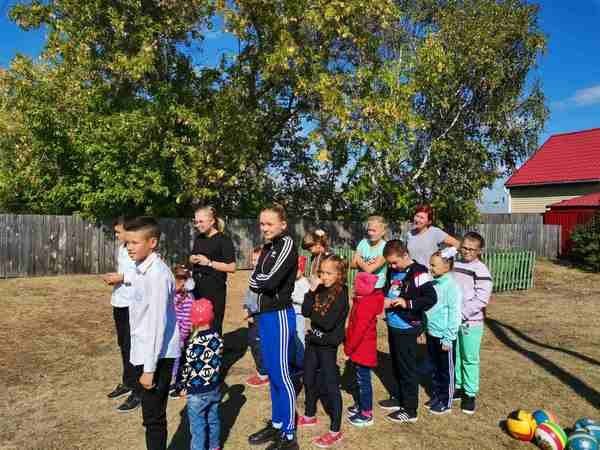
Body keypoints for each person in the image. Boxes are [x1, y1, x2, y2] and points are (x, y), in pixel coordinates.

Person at [123, 216, 180, 450]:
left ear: (152, 242)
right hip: (145, 352)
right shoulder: (140, 269)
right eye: (127, 242)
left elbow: (157, 324)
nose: (129, 247)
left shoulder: (157, 275)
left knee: (154, 418)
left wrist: (149, 369)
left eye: (135, 242)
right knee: (149, 416)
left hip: (157, 357)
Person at [247, 204, 299, 450]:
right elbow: (256, 276)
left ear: (283, 225)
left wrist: (258, 279)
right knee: (272, 374)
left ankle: (289, 435)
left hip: (279, 315)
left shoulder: (287, 243)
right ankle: (277, 424)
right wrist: (258, 279)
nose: (265, 228)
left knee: (282, 375)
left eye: (269, 223)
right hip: (264, 315)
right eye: (262, 223)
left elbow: (268, 281)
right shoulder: (268, 247)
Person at [379, 240, 437, 424]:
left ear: (405, 255)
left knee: (407, 368)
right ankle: (398, 397)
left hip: (407, 327)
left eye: (394, 262)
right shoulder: (393, 270)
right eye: (389, 263)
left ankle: (410, 409)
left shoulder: (419, 272)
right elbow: (388, 289)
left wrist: (407, 303)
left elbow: (430, 298)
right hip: (393, 325)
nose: (392, 266)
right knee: (396, 364)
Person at [297, 254, 349, 448]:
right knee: (308, 378)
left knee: (330, 385)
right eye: (321, 273)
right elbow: (305, 311)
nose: (324, 277)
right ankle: (310, 414)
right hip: (313, 342)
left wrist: (314, 320)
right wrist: (311, 291)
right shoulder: (318, 289)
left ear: (339, 274)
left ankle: (335, 430)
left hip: (327, 346)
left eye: (328, 273)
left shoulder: (341, 294)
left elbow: (326, 323)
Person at [103, 216, 141, 412]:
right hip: (119, 301)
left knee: (133, 346)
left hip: (133, 304)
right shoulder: (121, 249)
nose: (116, 235)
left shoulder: (139, 250)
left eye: (119, 232)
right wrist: (116, 277)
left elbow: (143, 274)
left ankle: (138, 390)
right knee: (123, 344)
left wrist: (122, 277)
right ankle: (128, 381)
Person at [452, 232, 493, 415]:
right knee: (457, 354)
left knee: (469, 358)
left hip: (471, 322)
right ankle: (458, 386)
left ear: (479, 251)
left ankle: (469, 394)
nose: (467, 251)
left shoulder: (481, 270)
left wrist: (463, 313)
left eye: (471, 249)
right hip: (454, 319)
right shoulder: (455, 264)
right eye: (464, 248)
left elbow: (482, 299)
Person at [180, 299, 224, 450]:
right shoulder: (217, 337)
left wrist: (183, 385)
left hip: (196, 391)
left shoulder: (193, 343)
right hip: (214, 387)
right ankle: (214, 446)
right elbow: (217, 360)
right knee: (213, 420)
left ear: (193, 319)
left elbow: (188, 367)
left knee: (197, 427)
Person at [344, 271, 384, 428]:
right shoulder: (364, 300)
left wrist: (348, 348)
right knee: (359, 378)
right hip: (361, 349)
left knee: (363, 381)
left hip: (362, 350)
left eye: (356, 285)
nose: (354, 287)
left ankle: (367, 413)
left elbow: (358, 330)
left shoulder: (365, 305)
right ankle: (360, 404)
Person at [424, 248, 462, 415]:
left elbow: (455, 314)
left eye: (434, 265)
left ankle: (446, 401)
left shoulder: (452, 287)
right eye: (430, 264)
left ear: (447, 267)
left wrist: (448, 338)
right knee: (434, 368)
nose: (430, 268)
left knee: (446, 370)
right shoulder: (433, 283)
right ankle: (437, 395)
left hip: (444, 337)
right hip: (432, 333)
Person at [190, 206, 236, 335]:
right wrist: (192, 258)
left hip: (214, 290)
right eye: (196, 222)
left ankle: (214, 347)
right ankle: (198, 347)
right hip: (196, 287)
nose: (198, 225)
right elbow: (192, 255)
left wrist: (209, 263)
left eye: (201, 221)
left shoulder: (224, 240)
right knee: (198, 323)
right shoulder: (199, 238)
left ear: (212, 221)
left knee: (213, 325)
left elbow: (232, 267)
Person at [243, 245, 270, 388]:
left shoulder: (264, 277)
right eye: (253, 260)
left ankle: (264, 373)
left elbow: (260, 299)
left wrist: (252, 312)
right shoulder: (254, 273)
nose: (254, 263)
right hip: (253, 313)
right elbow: (249, 294)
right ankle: (262, 370)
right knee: (253, 341)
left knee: (258, 343)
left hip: (259, 315)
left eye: (257, 260)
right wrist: (246, 308)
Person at [169, 265, 195, 398]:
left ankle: (176, 382)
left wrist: (181, 338)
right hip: (171, 333)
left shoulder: (188, 299)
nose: (174, 285)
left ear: (186, 282)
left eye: (176, 282)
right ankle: (172, 379)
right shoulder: (173, 294)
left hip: (180, 336)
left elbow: (186, 322)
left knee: (178, 360)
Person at [351, 216, 388, 291]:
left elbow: (369, 270)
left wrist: (358, 259)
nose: (370, 233)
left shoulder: (385, 247)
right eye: (369, 230)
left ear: (383, 232)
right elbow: (352, 264)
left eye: (374, 231)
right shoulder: (363, 242)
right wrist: (366, 264)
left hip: (376, 286)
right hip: (361, 284)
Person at [291, 256, 310, 370]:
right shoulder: (292, 282)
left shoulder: (304, 283)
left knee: (299, 336)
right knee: (293, 336)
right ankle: (294, 358)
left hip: (299, 314)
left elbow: (306, 300)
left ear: (302, 270)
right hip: (292, 312)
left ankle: (301, 361)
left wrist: (294, 299)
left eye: (296, 270)